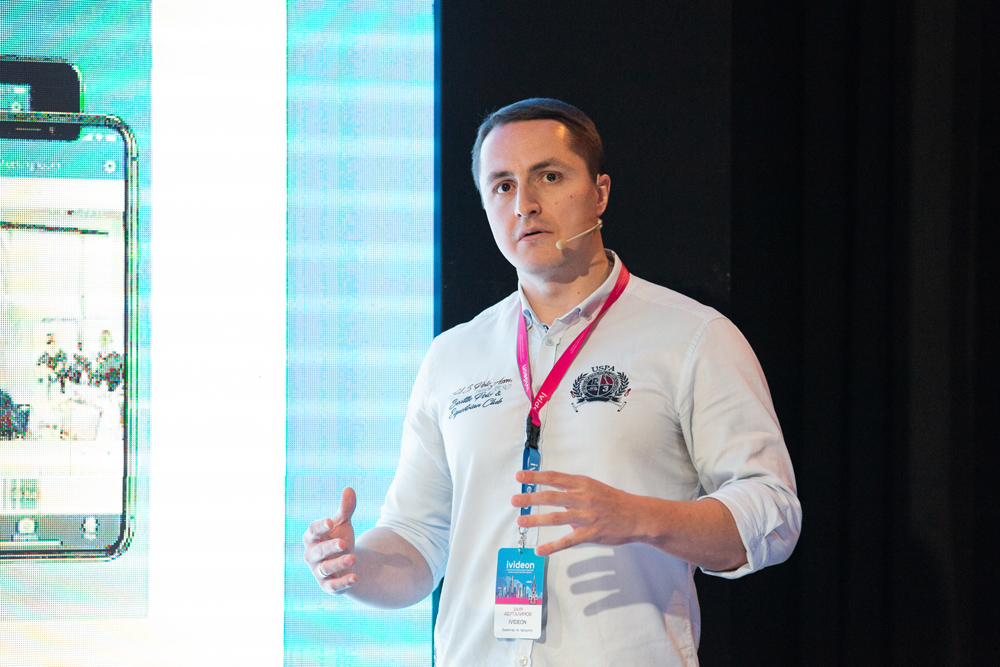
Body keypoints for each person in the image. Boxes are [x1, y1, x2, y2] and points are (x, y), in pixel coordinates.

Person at [304, 98, 801, 666]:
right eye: (503, 186)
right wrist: (354, 566)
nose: (525, 204)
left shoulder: (692, 336)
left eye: (549, 176)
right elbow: (417, 539)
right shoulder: (453, 356)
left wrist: (641, 517)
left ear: (600, 193)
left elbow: (773, 514)